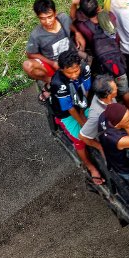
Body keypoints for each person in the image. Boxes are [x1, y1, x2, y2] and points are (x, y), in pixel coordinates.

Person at [71, 0, 129, 113]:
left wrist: (74, 3)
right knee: (124, 90)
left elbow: (73, 18)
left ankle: (117, 115)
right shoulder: (110, 16)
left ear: (84, 14)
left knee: (109, 92)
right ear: (98, 8)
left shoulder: (82, 26)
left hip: (102, 64)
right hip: (117, 60)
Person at [47, 50, 101, 183]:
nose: (73, 75)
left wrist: (82, 112)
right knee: (80, 140)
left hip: (80, 104)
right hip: (66, 113)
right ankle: (90, 166)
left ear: (80, 66)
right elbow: (69, 107)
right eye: (69, 73)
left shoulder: (85, 68)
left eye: (76, 71)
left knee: (99, 120)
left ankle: (99, 145)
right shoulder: (58, 83)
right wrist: (82, 123)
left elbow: (86, 90)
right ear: (61, 70)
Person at [23, 0, 82, 88]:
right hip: (53, 65)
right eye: (42, 18)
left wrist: (77, 32)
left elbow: (71, 25)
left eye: (50, 17)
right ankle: (51, 81)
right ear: (38, 17)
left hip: (71, 60)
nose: (47, 22)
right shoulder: (36, 35)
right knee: (27, 65)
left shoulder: (63, 18)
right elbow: (30, 54)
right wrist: (52, 63)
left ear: (55, 13)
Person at [78, 74, 118, 185]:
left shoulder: (103, 95)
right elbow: (82, 136)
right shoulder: (97, 115)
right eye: (115, 88)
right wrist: (99, 146)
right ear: (108, 95)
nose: (117, 88)